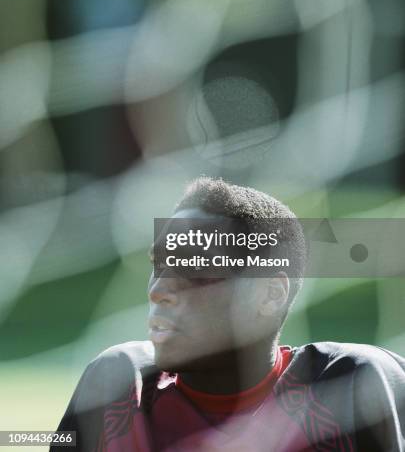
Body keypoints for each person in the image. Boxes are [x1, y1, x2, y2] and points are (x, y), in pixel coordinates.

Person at [52, 177, 405, 451]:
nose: (158, 289)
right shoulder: (122, 389)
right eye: (158, 265)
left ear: (269, 293)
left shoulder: (351, 385)